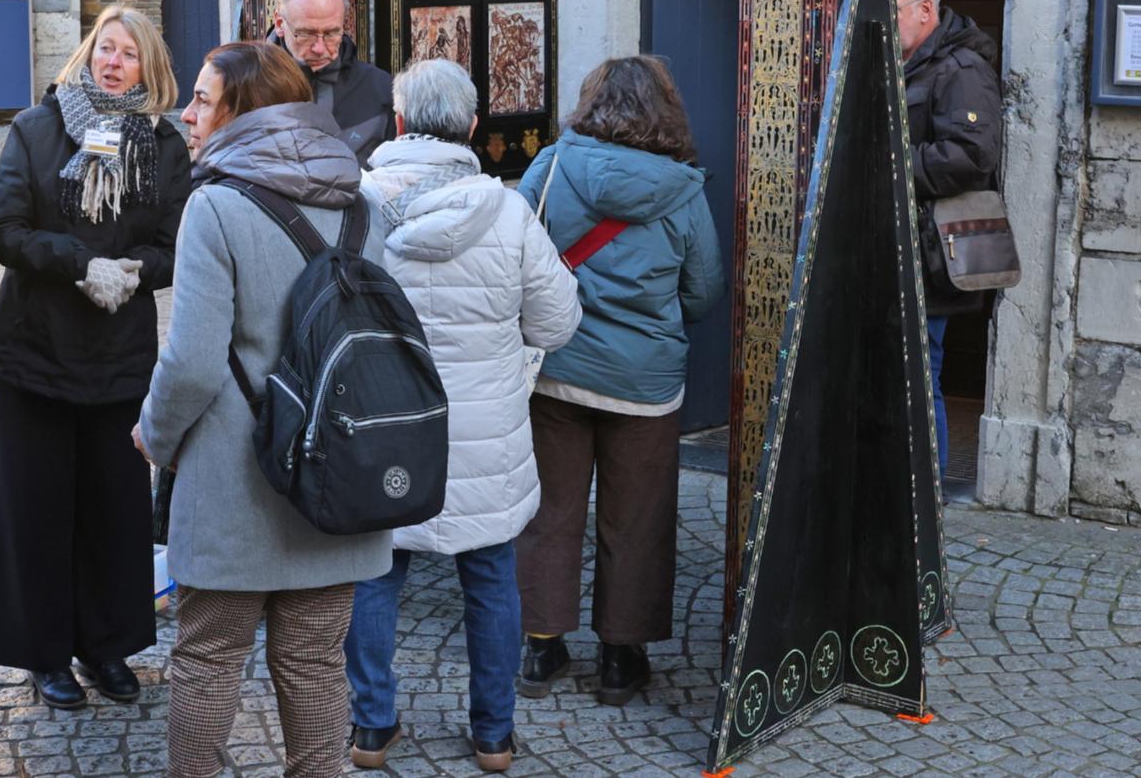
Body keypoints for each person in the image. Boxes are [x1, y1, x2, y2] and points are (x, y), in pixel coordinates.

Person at [136, 41, 393, 778]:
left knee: (208, 660)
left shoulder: (215, 206)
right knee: (315, 664)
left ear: (243, 112)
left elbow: (191, 362)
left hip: (233, 483)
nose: (187, 114)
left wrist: (154, 434)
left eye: (202, 100)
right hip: (336, 477)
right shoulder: (364, 207)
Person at [344, 60, 580, 773]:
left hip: (385, 428)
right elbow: (556, 323)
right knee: (491, 576)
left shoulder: (356, 207)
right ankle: (493, 736)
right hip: (484, 436)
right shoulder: (508, 213)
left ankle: (371, 728)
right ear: (473, 127)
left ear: (398, 122)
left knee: (375, 575)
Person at [0, 6, 191, 709]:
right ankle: (44, 654)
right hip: (36, 349)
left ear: (148, 68)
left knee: (113, 511)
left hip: (117, 354)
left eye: (129, 53)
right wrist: (77, 262)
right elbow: (2, 229)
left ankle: (106, 646)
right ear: (88, 55)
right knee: (36, 510)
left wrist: (134, 271)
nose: (113, 62)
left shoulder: (164, 145)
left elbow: (173, 245)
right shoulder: (36, 128)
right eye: (105, 48)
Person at [513, 55, 723, 709]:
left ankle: (542, 644)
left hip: (556, 369)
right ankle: (620, 658)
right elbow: (704, 291)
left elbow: (516, 257)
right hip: (645, 381)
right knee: (638, 518)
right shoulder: (683, 190)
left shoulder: (550, 167)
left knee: (547, 509)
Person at [895, 0, 1002, 475]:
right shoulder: (905, 62)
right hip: (897, 246)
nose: (883, 23)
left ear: (925, 10)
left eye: (891, 11)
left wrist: (892, 162)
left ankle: (925, 497)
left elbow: (972, 155)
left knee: (920, 375)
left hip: (931, 252)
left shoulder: (961, 69)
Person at [269, 0, 394, 163]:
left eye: (331, 33)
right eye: (307, 34)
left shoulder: (381, 90)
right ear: (279, 24)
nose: (319, 48)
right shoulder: (245, 86)